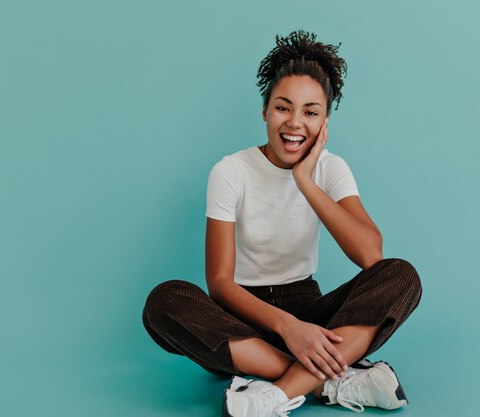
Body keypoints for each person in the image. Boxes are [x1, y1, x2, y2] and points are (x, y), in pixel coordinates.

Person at [142, 30, 422, 416]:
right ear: (264, 110)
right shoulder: (231, 171)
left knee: (401, 275)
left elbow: (371, 255)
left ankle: (275, 394)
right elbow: (220, 283)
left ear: (324, 121)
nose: (294, 123)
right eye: (282, 107)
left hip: (311, 313)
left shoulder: (330, 169)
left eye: (310, 112)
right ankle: (333, 381)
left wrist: (305, 181)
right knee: (163, 302)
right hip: (241, 320)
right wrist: (288, 329)